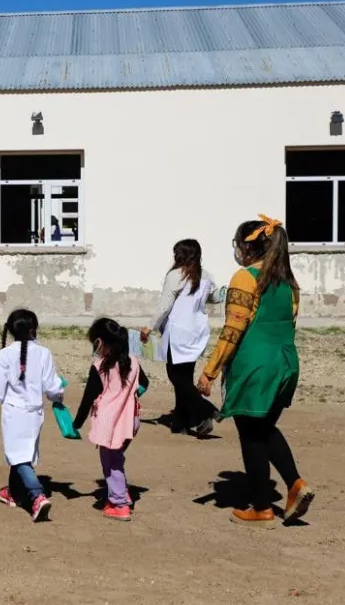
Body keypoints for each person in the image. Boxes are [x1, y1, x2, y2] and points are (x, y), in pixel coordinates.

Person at [197, 215, 314, 527]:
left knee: (250, 433)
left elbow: (233, 329)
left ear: (249, 247)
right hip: (286, 363)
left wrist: (210, 370)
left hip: (255, 365)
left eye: (239, 245)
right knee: (264, 430)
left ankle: (262, 506)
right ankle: (295, 485)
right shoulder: (290, 283)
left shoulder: (244, 278)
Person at [0, 309, 65, 522]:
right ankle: (12, 493)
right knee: (21, 453)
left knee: (20, 457)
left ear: (11, 331)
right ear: (34, 329)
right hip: (35, 412)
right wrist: (59, 396)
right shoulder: (44, 353)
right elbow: (53, 387)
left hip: (14, 413)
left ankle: (36, 495)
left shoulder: (5, 355)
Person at [141, 239, 223, 437]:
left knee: (176, 376)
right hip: (196, 332)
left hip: (177, 332)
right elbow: (214, 297)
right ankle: (180, 422)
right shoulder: (206, 276)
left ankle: (206, 410)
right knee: (185, 375)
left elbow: (164, 306)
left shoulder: (175, 275)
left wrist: (150, 326)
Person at [74, 318, 149, 522]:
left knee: (111, 462)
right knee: (117, 458)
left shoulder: (100, 367)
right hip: (130, 421)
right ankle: (122, 492)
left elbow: (88, 398)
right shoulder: (133, 361)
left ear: (99, 342)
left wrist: (76, 423)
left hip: (110, 424)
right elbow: (144, 384)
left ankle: (119, 504)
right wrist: (128, 396)